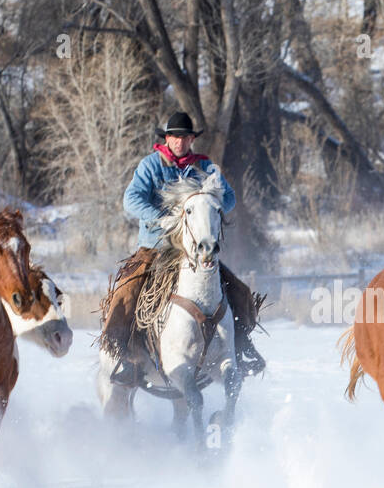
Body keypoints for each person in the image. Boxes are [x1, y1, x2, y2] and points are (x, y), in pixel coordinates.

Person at [100, 111, 264, 385]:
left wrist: (210, 211)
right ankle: (125, 357)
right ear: (166, 138)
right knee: (127, 291)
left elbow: (230, 197)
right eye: (175, 136)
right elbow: (131, 200)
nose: (180, 141)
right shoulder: (151, 165)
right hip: (156, 247)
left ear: (191, 139)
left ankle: (242, 346)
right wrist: (160, 217)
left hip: (198, 250)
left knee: (239, 291)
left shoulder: (205, 167)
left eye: (185, 136)